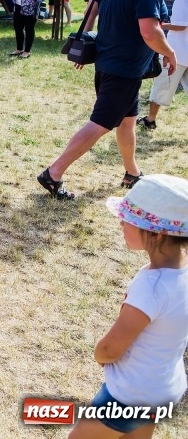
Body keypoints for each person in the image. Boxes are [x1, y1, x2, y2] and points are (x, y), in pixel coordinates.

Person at [38, 0, 176, 200]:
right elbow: (150, 31)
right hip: (124, 69)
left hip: (107, 63)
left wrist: (82, 45)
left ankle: (131, 172)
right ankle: (53, 174)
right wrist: (169, 53)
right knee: (100, 123)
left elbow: (90, 11)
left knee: (127, 121)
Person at [68, 174, 188, 439]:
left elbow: (111, 349)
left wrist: (100, 355)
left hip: (129, 397)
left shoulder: (152, 286)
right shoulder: (181, 274)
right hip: (165, 389)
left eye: (129, 219)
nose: (121, 222)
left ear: (155, 233)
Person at [137, 0, 188, 130]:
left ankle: (150, 119)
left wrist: (161, 25)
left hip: (177, 52)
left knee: (161, 86)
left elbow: (181, 25)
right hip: (183, 51)